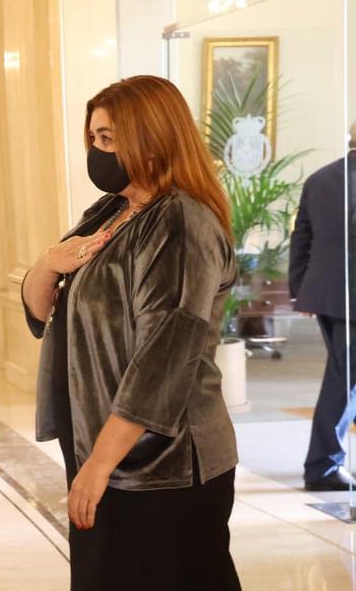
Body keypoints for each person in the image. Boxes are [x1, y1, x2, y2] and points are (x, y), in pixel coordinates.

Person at [21, 75, 241, 590]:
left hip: (163, 465)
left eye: (108, 139)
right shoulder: (111, 212)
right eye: (94, 138)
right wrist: (48, 263)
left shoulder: (181, 224)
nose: (96, 152)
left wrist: (99, 465)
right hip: (105, 448)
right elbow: (42, 306)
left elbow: (162, 360)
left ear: (151, 138)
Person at [290, 123, 356, 491]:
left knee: (343, 376)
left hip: (327, 296)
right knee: (343, 381)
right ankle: (323, 466)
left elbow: (301, 237)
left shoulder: (320, 178)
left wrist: (301, 289)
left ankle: (326, 460)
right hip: (350, 299)